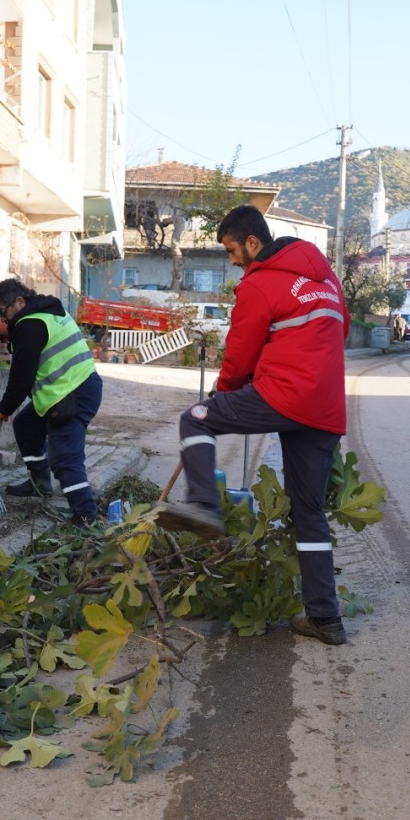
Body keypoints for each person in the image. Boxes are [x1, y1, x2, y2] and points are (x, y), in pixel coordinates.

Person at [154, 205, 352, 646]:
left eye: (232, 249)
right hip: (325, 410)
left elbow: (240, 353)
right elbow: (336, 336)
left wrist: (222, 395)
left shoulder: (260, 283)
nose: (232, 260)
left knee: (196, 420)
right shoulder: (329, 283)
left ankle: (204, 506)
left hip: (284, 395)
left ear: (253, 243)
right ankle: (326, 619)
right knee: (309, 512)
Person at [0, 278, 103, 525]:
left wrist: (4, 408)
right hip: (75, 387)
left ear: (19, 301)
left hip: (72, 394)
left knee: (65, 457)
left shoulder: (30, 324)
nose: (4, 321)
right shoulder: (47, 312)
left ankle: (85, 515)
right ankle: (39, 482)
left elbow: (21, 378)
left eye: (3, 313)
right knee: (26, 424)